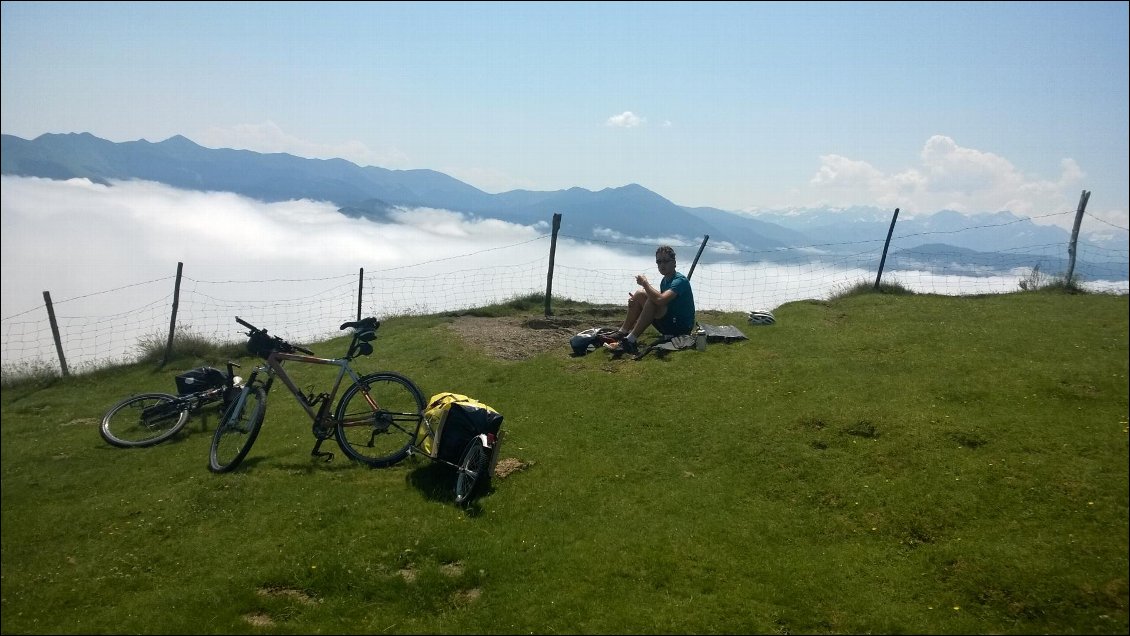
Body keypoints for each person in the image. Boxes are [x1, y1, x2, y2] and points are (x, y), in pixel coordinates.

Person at [604, 245, 695, 354]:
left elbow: (661, 300)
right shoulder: (665, 280)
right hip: (670, 321)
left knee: (652, 300)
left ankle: (630, 341)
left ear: (674, 263)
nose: (662, 265)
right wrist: (637, 302)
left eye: (665, 261)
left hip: (680, 328)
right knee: (639, 295)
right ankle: (622, 333)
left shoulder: (680, 281)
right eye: (659, 262)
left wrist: (645, 283)